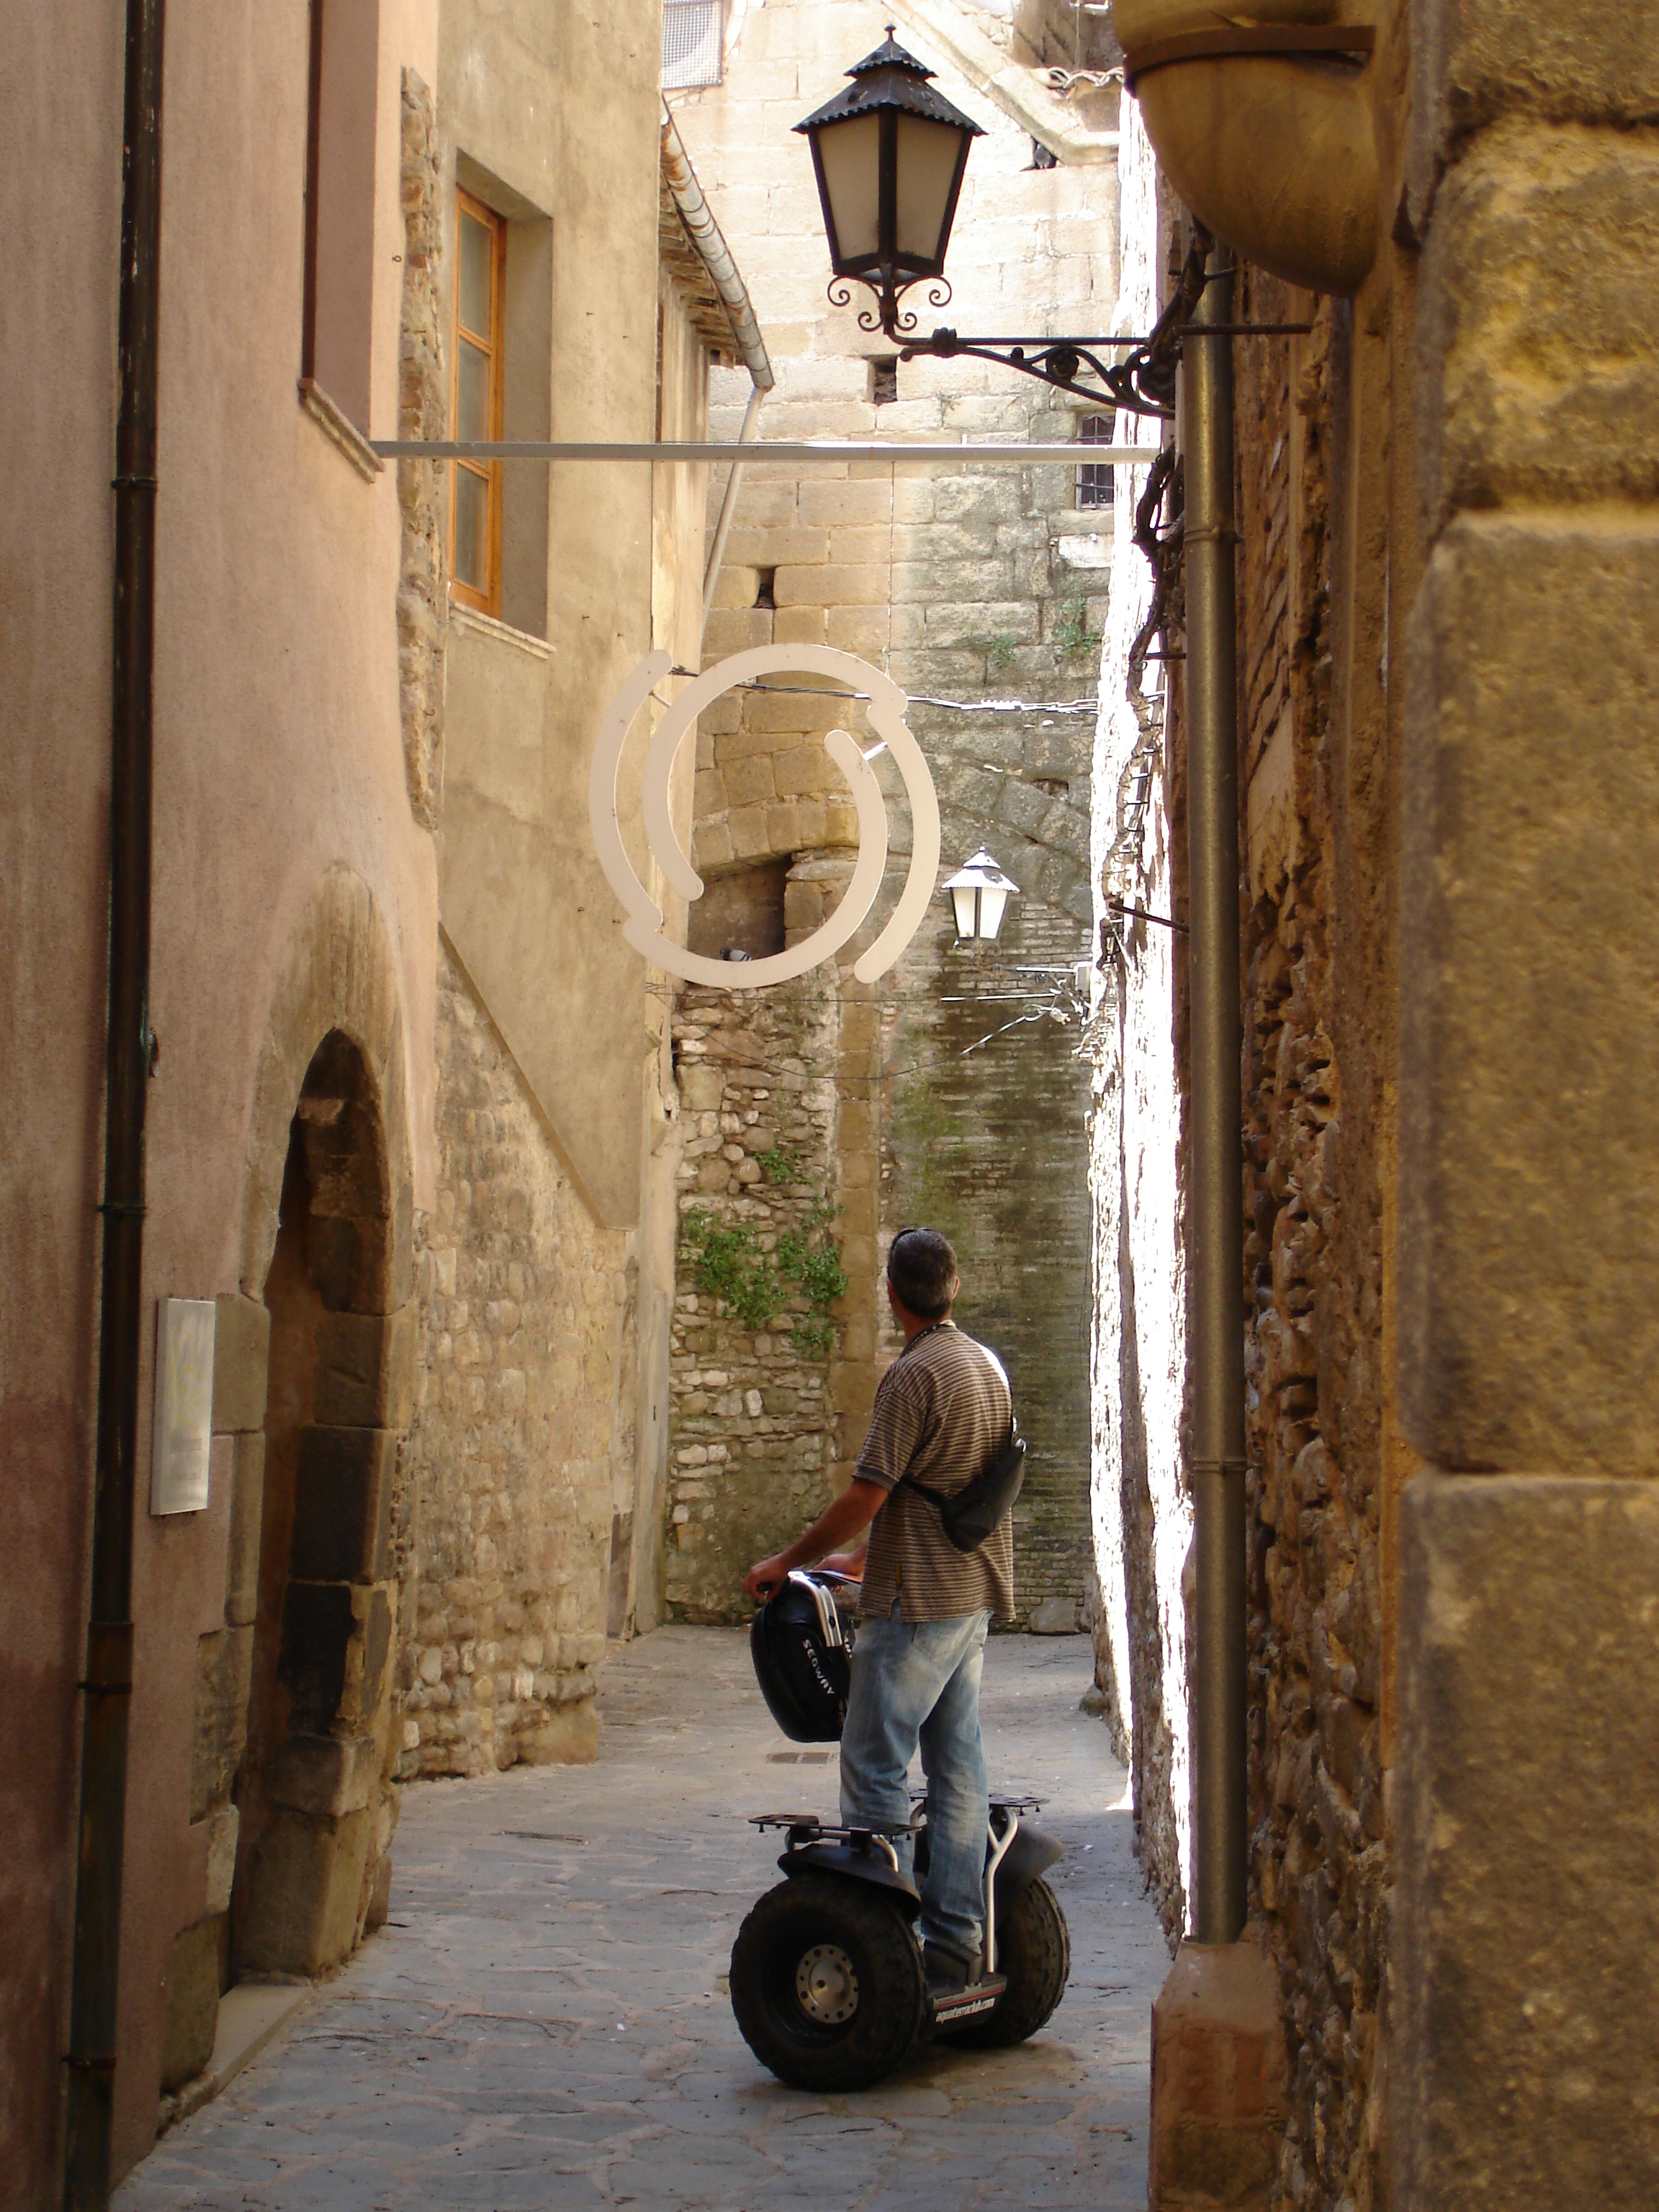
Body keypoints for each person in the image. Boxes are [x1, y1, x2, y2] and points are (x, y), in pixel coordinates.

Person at [744, 1225, 1014, 1991]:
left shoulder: (913, 1375)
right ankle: (956, 1941)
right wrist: (860, 1562)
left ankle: (889, 1946)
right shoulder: (986, 1367)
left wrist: (785, 1562)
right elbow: (948, 1486)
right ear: (954, 1288)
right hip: (970, 1596)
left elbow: (869, 1493)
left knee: (872, 1764)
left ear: (891, 1294)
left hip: (917, 1603)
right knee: (957, 1767)